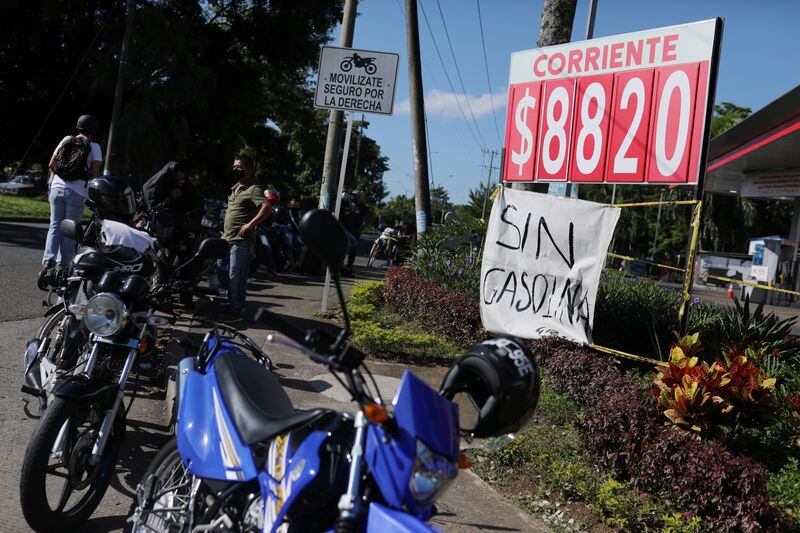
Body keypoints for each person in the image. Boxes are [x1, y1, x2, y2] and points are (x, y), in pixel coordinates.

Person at [41, 114, 102, 271]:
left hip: (56, 188)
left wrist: (58, 180)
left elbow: (51, 164)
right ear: (93, 130)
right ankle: (63, 267)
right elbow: (95, 174)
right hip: (76, 192)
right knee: (69, 231)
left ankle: (48, 261)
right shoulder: (94, 147)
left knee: (54, 226)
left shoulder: (67, 140)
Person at [216, 155, 272, 319]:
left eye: (239, 167)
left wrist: (250, 224)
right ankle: (232, 304)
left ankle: (236, 311)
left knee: (236, 278)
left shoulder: (253, 189)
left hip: (241, 243)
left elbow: (267, 207)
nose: (235, 169)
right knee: (222, 273)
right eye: (234, 166)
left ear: (249, 170)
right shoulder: (235, 189)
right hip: (226, 240)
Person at [342, 190, 369, 272]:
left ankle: (349, 265)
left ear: (359, 197)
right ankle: (341, 265)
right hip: (345, 229)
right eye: (352, 195)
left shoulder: (363, 208)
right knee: (343, 247)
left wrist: (362, 226)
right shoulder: (346, 204)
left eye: (355, 196)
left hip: (355, 230)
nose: (353, 197)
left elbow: (366, 219)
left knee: (353, 248)